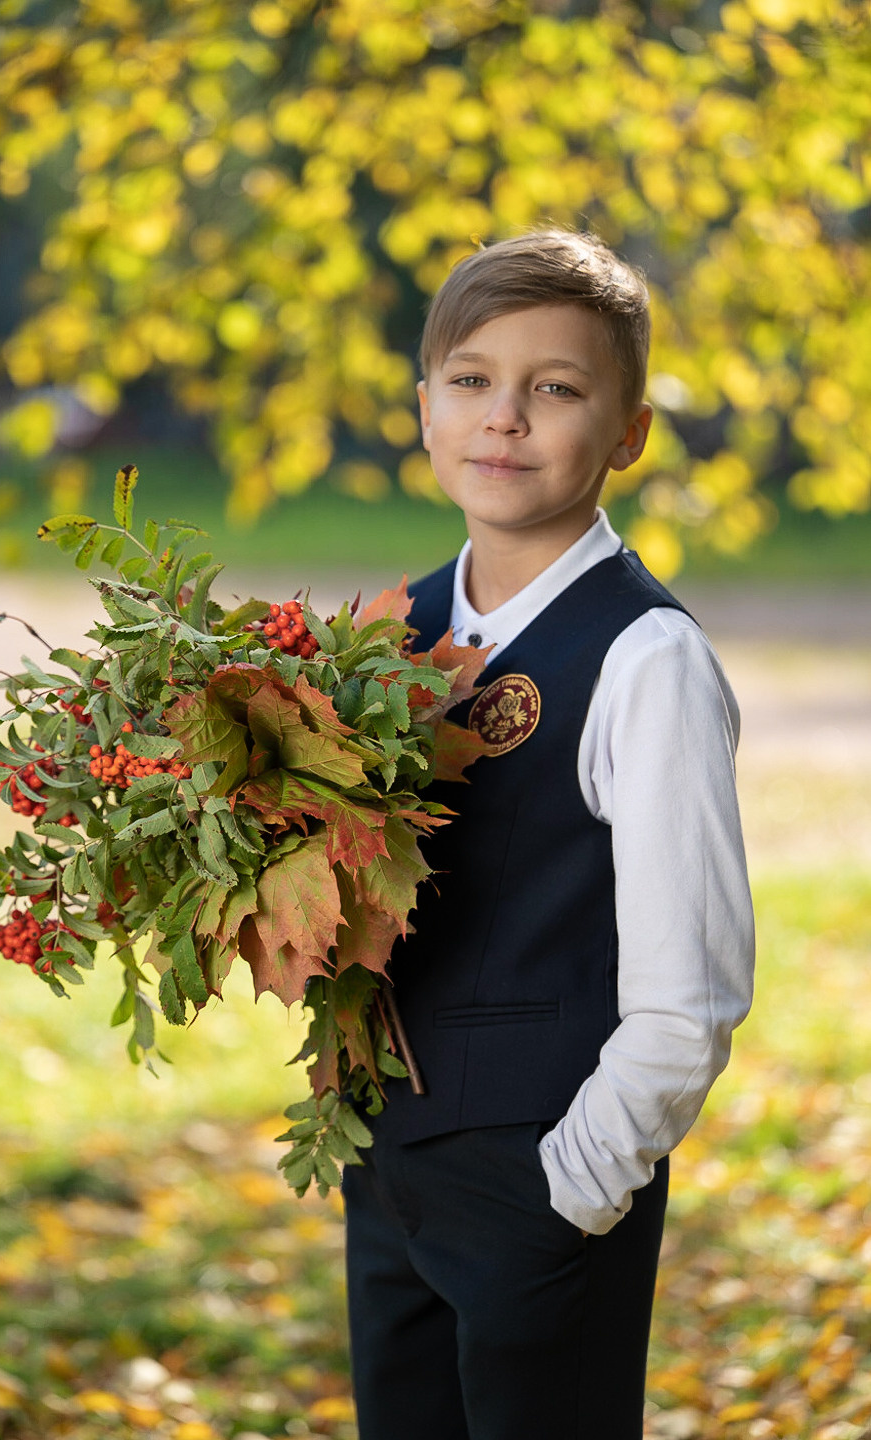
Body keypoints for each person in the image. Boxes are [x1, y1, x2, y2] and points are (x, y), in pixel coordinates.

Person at [340, 227, 755, 1440]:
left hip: (545, 1181)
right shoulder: (389, 632)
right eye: (471, 380)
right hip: (387, 1163)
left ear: (625, 433)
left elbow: (693, 995)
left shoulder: (645, 658)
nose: (503, 418)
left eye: (556, 389)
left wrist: (567, 1190)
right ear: (425, 408)